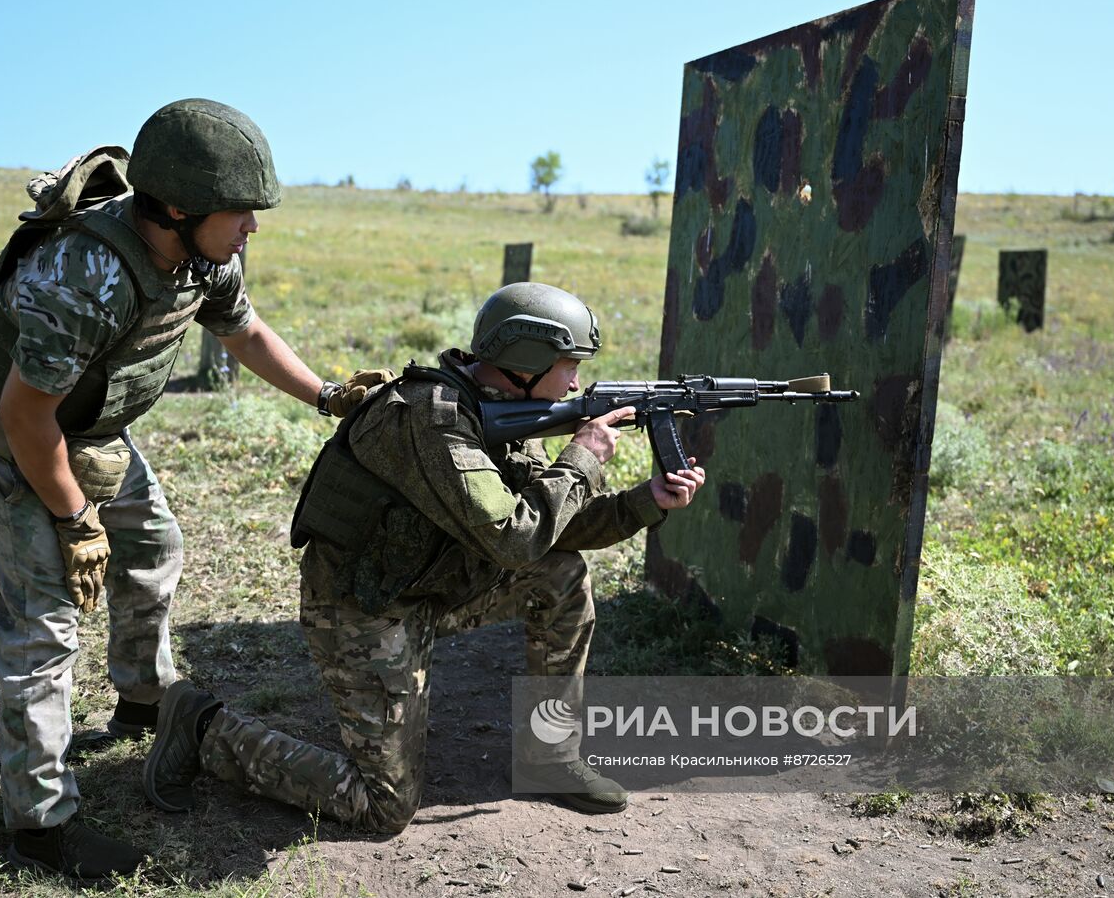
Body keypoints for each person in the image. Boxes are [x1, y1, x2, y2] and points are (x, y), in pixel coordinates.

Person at [0, 99, 386, 881]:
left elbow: (241, 331)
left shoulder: (203, 255)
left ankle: (144, 696)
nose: (252, 227)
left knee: (153, 544)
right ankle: (40, 824)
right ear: (177, 209)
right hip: (16, 425)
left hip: (89, 421)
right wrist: (76, 519)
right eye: (241, 213)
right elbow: (24, 414)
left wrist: (325, 395)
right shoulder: (85, 275)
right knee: (42, 618)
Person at [142, 282, 706, 834]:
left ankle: (551, 755)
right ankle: (203, 728)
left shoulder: (502, 408)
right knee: (381, 807)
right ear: (527, 361)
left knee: (560, 573)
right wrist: (581, 459)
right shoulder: (432, 419)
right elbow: (515, 537)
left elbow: (549, 529)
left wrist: (645, 503)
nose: (577, 381)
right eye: (569, 365)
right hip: (365, 608)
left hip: (432, 584)